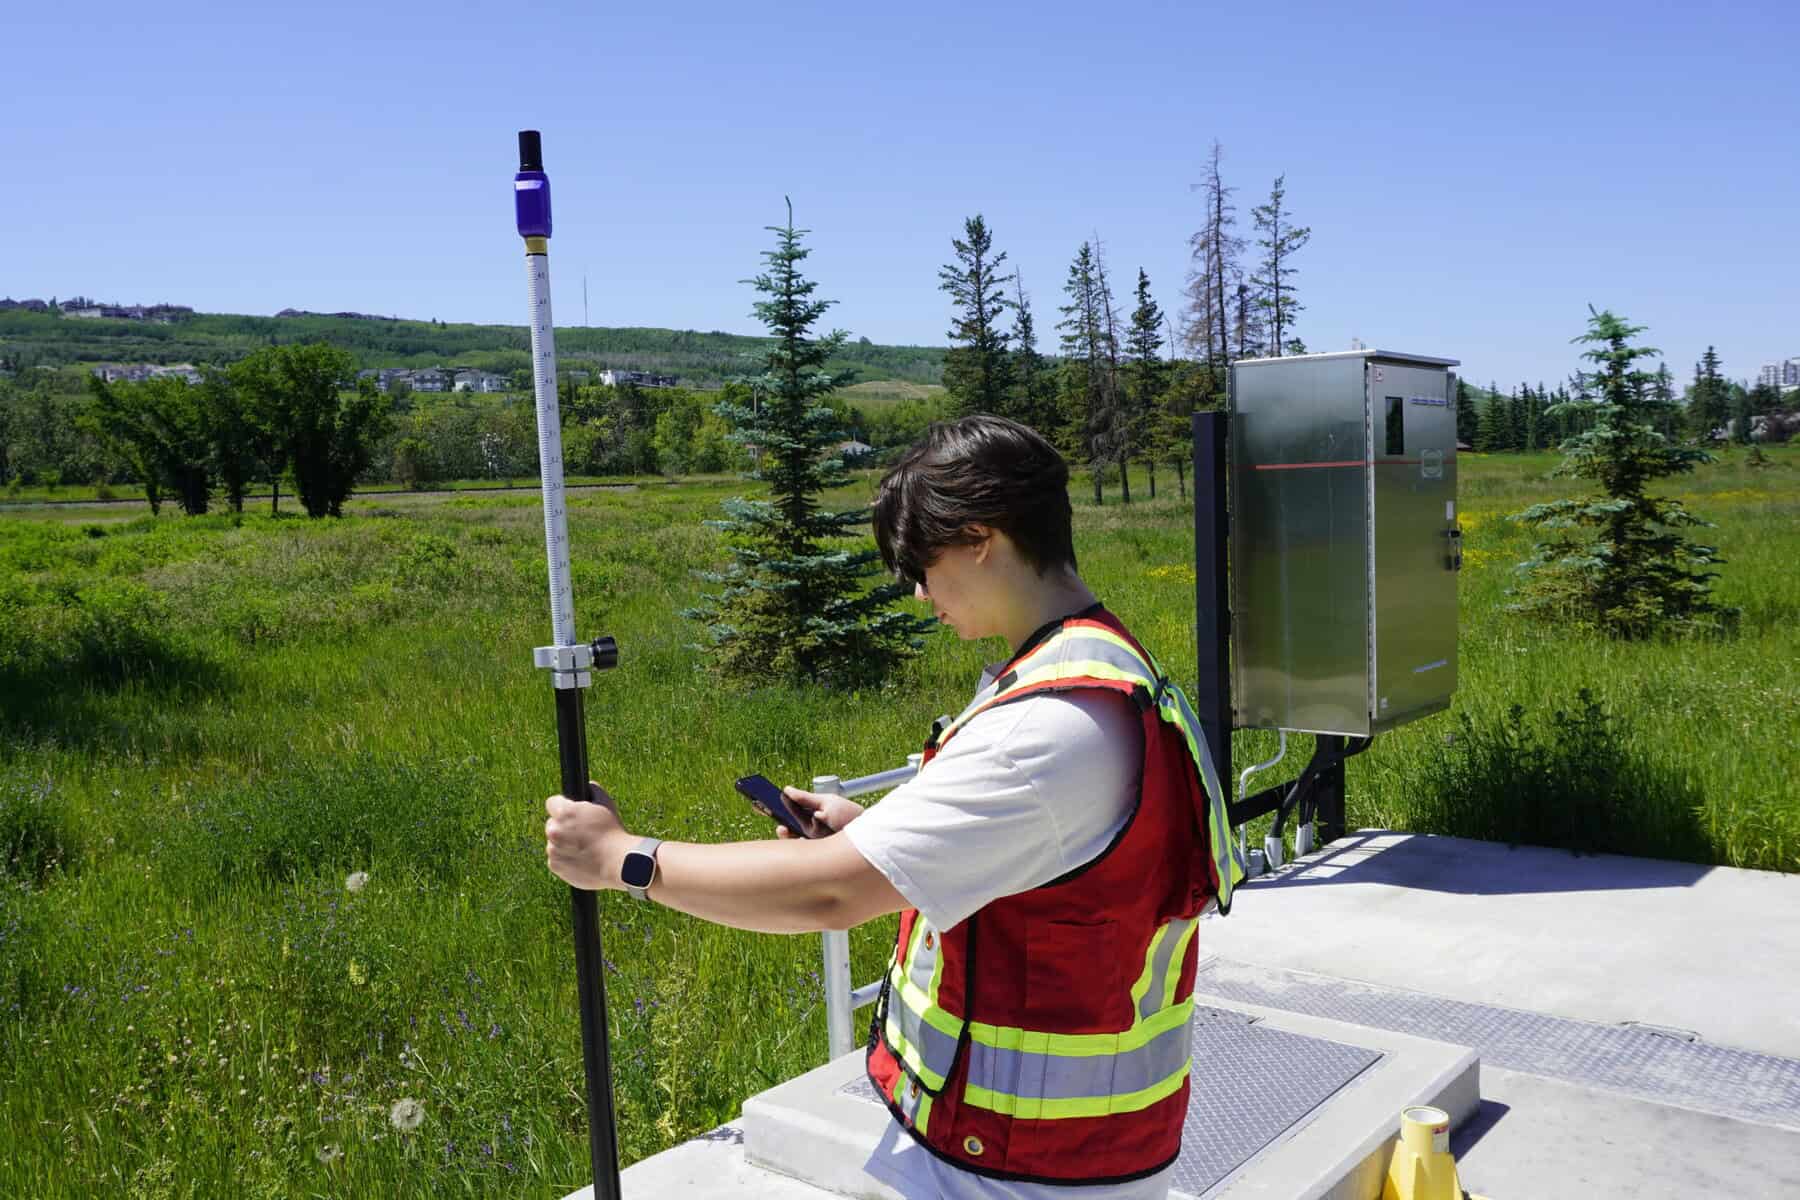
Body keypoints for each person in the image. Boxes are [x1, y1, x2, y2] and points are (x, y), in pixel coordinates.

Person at [544, 415, 1239, 1198]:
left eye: (921, 562)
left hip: (1019, 1168)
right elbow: (1047, 856)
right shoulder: (1096, 663)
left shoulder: (1047, 728)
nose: (916, 591)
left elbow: (829, 892)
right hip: (1054, 1148)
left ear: (980, 537)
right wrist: (876, 830)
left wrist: (624, 859)